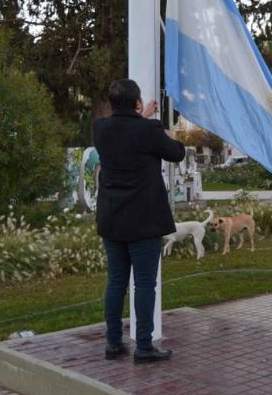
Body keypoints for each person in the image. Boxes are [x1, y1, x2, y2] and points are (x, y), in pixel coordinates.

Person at [93, 79, 185, 363]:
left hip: (112, 219)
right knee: (144, 284)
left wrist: (141, 117)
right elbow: (177, 153)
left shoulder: (101, 129)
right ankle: (144, 347)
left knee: (116, 282)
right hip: (144, 221)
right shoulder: (150, 131)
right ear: (137, 103)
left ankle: (112, 344)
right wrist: (166, 133)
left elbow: (124, 133)